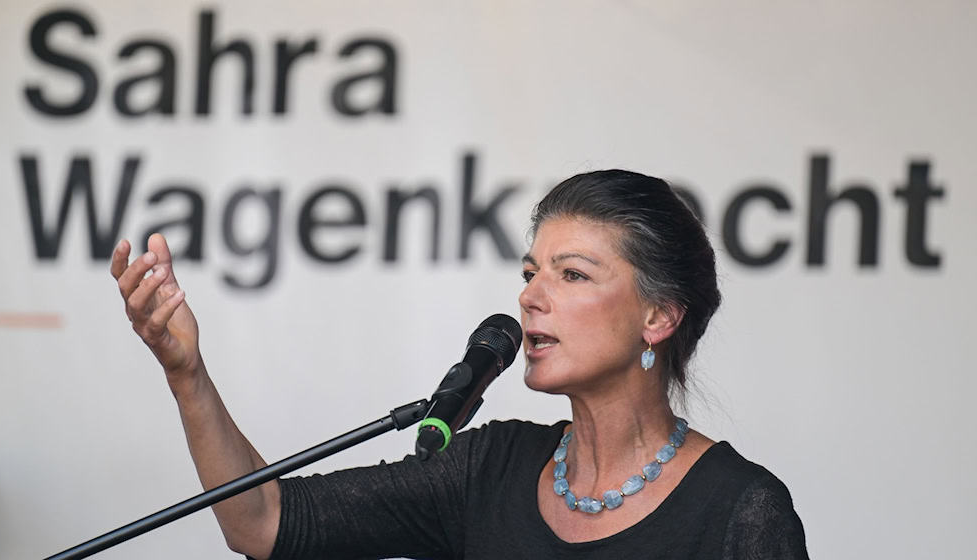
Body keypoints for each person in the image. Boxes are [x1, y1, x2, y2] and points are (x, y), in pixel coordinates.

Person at [111, 170, 808, 559]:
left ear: (659, 316)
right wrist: (187, 375)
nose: (529, 296)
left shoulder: (741, 513)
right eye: (531, 271)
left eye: (571, 276)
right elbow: (259, 522)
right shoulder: (489, 468)